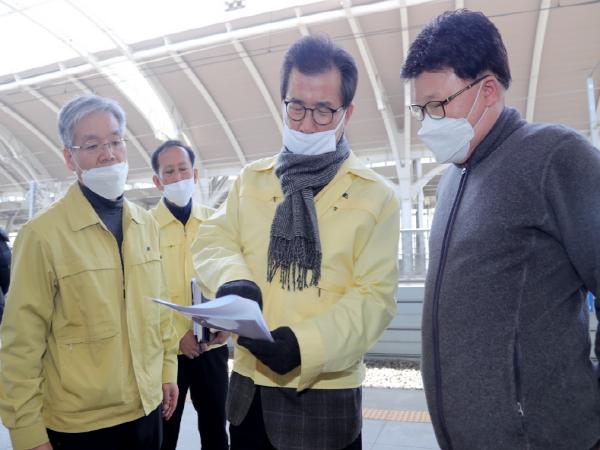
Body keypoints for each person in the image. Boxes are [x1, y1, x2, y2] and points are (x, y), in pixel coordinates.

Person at [401, 9, 600, 450]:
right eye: (421, 109)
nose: (427, 123)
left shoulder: (556, 156)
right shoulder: (453, 179)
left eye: (437, 105)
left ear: (487, 90)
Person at [193, 35, 399, 450]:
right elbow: (214, 238)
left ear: (347, 113)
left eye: (324, 110)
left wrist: (305, 346)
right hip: (249, 395)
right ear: (282, 103)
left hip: (324, 401)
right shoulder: (252, 180)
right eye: (297, 107)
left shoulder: (375, 196)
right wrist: (232, 279)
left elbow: (373, 299)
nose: (306, 124)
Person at [0, 95, 179, 450]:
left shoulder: (145, 225)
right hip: (80, 426)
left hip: (147, 410)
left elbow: (159, 310)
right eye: (93, 145)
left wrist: (167, 369)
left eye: (115, 141)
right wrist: (27, 433)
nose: (108, 154)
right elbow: (21, 343)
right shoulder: (42, 235)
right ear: (70, 158)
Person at [150, 140, 230, 450]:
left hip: (211, 349)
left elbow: (229, 278)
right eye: (169, 172)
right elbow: (142, 294)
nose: (178, 177)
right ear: (157, 181)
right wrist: (175, 337)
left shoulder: (215, 222)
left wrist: (227, 324)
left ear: (195, 174)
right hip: (166, 354)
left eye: (183, 169)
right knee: (163, 434)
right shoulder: (144, 227)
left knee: (215, 432)